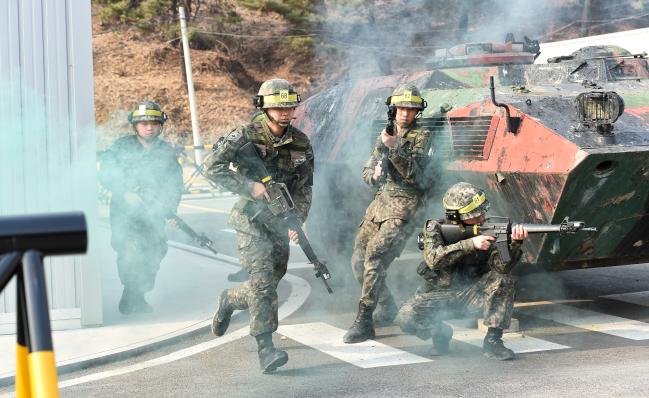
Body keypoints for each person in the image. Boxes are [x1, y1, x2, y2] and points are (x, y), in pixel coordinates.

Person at [207, 79, 314, 373]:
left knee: (266, 284)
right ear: (264, 107)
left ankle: (229, 299)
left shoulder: (302, 142)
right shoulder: (244, 136)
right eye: (277, 106)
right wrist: (248, 186)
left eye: (289, 106)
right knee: (264, 284)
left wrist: (298, 219)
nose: (284, 111)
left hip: (279, 222)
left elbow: (305, 188)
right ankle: (266, 348)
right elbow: (211, 167)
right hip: (250, 220)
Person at [395, 182, 529, 360]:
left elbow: (502, 266)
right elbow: (434, 259)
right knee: (404, 318)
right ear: (456, 216)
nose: (482, 217)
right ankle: (440, 332)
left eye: (482, 212)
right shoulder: (434, 228)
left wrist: (514, 244)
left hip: (472, 293)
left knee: (503, 279)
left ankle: (493, 341)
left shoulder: (489, 227)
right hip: (438, 295)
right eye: (475, 214)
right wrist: (470, 244)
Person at [344, 84, 434, 344]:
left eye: (411, 109)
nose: (405, 113)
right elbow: (368, 168)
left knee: (375, 258)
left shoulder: (423, 136)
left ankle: (364, 320)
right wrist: (372, 176)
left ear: (418, 112)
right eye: (402, 108)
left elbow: (417, 177)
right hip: (380, 204)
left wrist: (394, 148)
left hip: (405, 206)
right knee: (358, 260)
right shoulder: (386, 134)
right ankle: (387, 305)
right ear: (394, 109)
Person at [99, 101, 183, 314]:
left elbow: (174, 183)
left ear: (160, 125)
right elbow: (106, 172)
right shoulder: (122, 146)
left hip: (154, 213)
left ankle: (137, 294)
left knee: (155, 252)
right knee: (130, 252)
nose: (149, 127)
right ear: (135, 126)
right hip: (124, 214)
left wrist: (170, 211)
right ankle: (131, 297)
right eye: (143, 123)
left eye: (154, 123)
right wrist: (125, 191)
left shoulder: (165, 151)